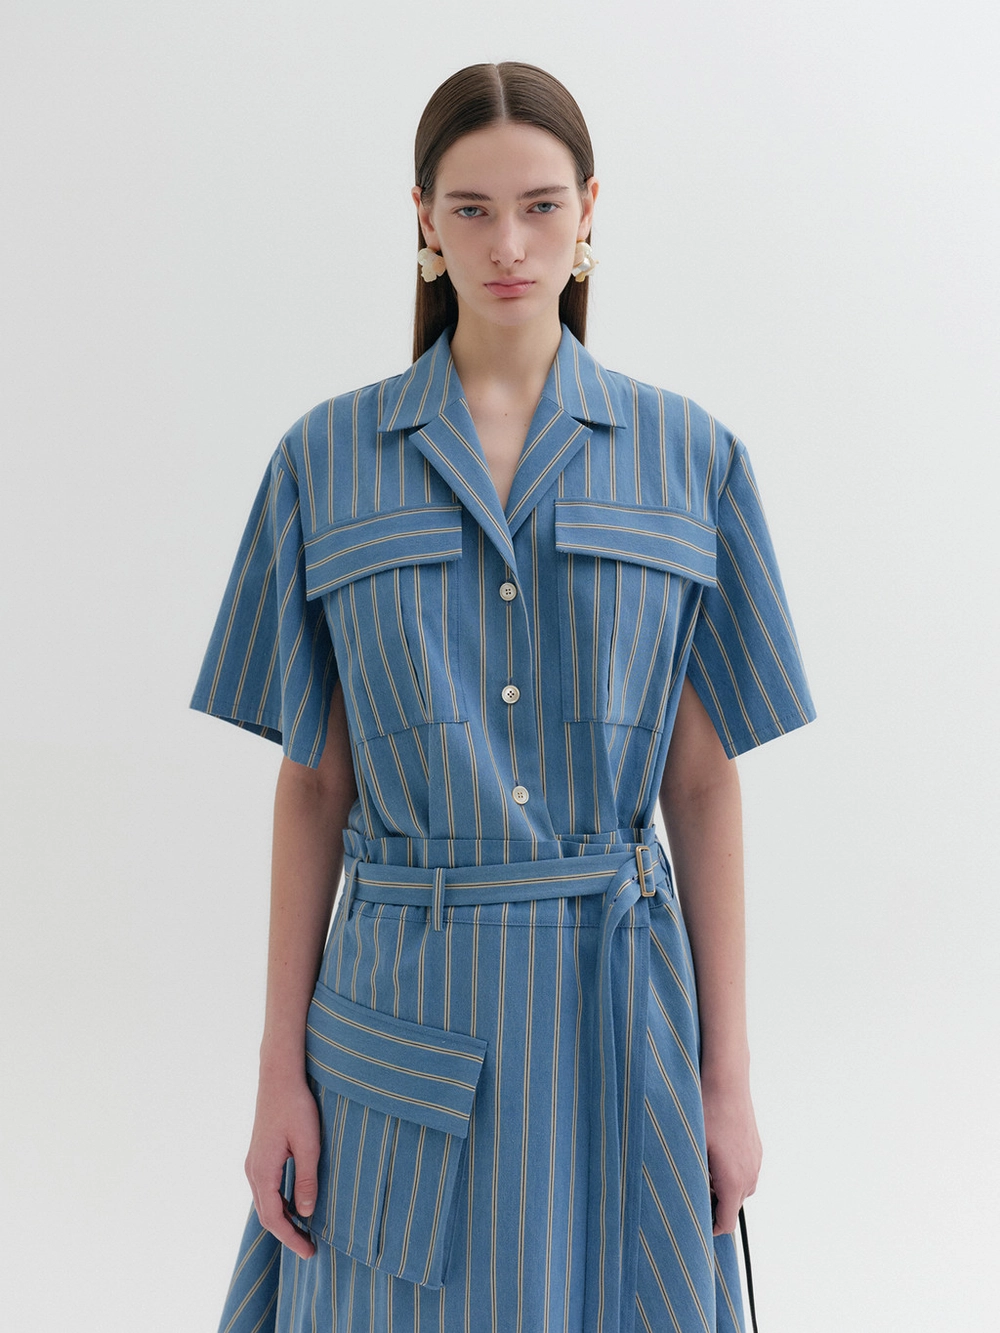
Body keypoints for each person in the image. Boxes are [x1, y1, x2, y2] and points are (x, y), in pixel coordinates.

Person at [190, 60, 815, 1333]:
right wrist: (274, 1073)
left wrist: (728, 1078)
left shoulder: (689, 458)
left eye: (539, 206)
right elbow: (314, 785)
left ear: (590, 211)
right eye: (471, 209)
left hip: (616, 1014)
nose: (508, 245)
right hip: (398, 1017)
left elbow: (701, 783)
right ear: (422, 219)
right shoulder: (324, 461)